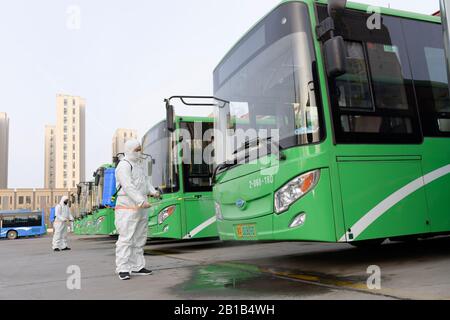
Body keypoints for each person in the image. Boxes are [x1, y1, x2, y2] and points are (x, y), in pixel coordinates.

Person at [115, 139, 160, 281]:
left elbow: (145, 182)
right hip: (127, 208)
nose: (139, 152)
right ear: (129, 150)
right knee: (126, 238)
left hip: (141, 208)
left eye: (140, 149)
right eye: (137, 149)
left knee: (139, 238)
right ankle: (123, 268)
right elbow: (127, 186)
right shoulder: (124, 165)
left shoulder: (139, 165)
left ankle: (137, 266)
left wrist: (153, 192)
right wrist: (140, 201)